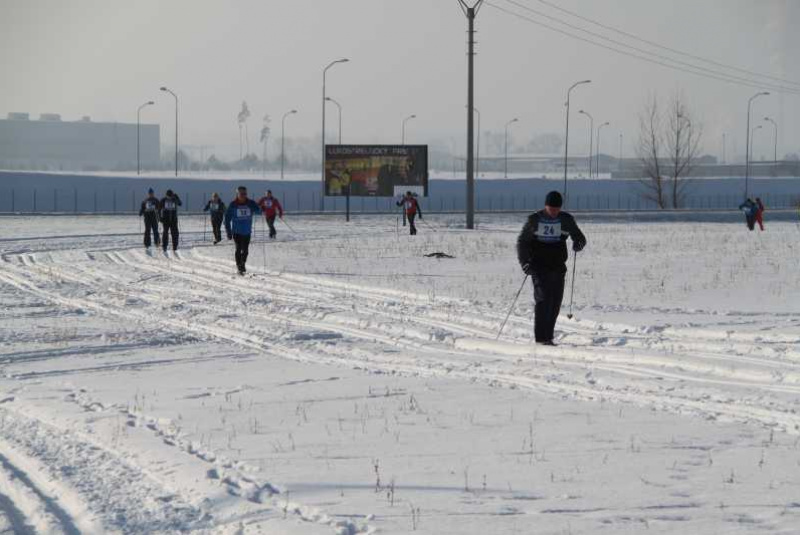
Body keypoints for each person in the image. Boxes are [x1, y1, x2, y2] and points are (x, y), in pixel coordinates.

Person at [516, 191, 587, 346]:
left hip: (558, 267)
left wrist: (578, 243)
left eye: (557, 209)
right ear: (545, 206)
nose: (554, 212)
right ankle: (541, 339)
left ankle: (548, 337)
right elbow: (523, 242)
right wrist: (525, 262)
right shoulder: (534, 220)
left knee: (555, 302)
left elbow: (579, 237)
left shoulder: (566, 220)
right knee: (543, 300)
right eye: (551, 209)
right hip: (539, 267)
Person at [224, 186, 262, 275]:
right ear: (237, 194)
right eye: (241, 194)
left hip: (247, 231)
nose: (243, 195)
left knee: (245, 250)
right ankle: (239, 266)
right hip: (236, 231)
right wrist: (228, 232)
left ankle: (242, 264)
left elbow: (259, 211)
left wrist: (260, 208)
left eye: (245, 194)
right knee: (238, 248)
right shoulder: (233, 205)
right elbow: (226, 219)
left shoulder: (250, 203)